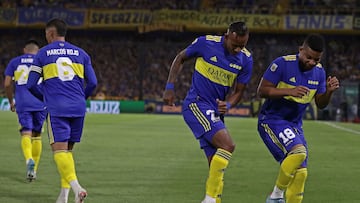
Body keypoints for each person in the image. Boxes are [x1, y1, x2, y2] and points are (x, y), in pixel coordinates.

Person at [163, 21, 253, 203]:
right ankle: (209, 201)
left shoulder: (246, 59)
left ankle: (213, 199)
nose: (237, 50)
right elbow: (180, 57)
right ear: (227, 36)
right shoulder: (206, 43)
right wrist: (170, 86)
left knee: (216, 168)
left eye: (242, 46)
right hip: (197, 104)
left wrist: (227, 106)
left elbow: (239, 92)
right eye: (235, 45)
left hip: (216, 112)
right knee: (228, 146)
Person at [257, 34, 339, 203]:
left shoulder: (319, 72)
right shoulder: (282, 63)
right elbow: (262, 91)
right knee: (299, 152)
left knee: (301, 173)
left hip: (295, 125)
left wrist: (329, 92)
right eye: (308, 57)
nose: (311, 62)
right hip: (272, 120)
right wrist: (290, 91)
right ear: (300, 50)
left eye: (316, 59)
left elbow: (320, 103)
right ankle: (276, 196)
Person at [27, 18, 97, 203]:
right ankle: (64, 196)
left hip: (57, 107)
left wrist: (46, 98)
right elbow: (93, 83)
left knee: (59, 152)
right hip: (78, 108)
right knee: (68, 153)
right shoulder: (82, 53)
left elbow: (30, 84)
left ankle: (77, 188)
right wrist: (81, 98)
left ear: (50, 33)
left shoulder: (42, 54)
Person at [4, 39, 46, 182]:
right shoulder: (42, 61)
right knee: (37, 135)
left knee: (26, 133)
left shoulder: (14, 62)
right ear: (37, 51)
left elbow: (7, 83)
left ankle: (29, 159)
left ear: (24, 50)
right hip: (41, 102)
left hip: (23, 102)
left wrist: (11, 101)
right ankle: (34, 170)